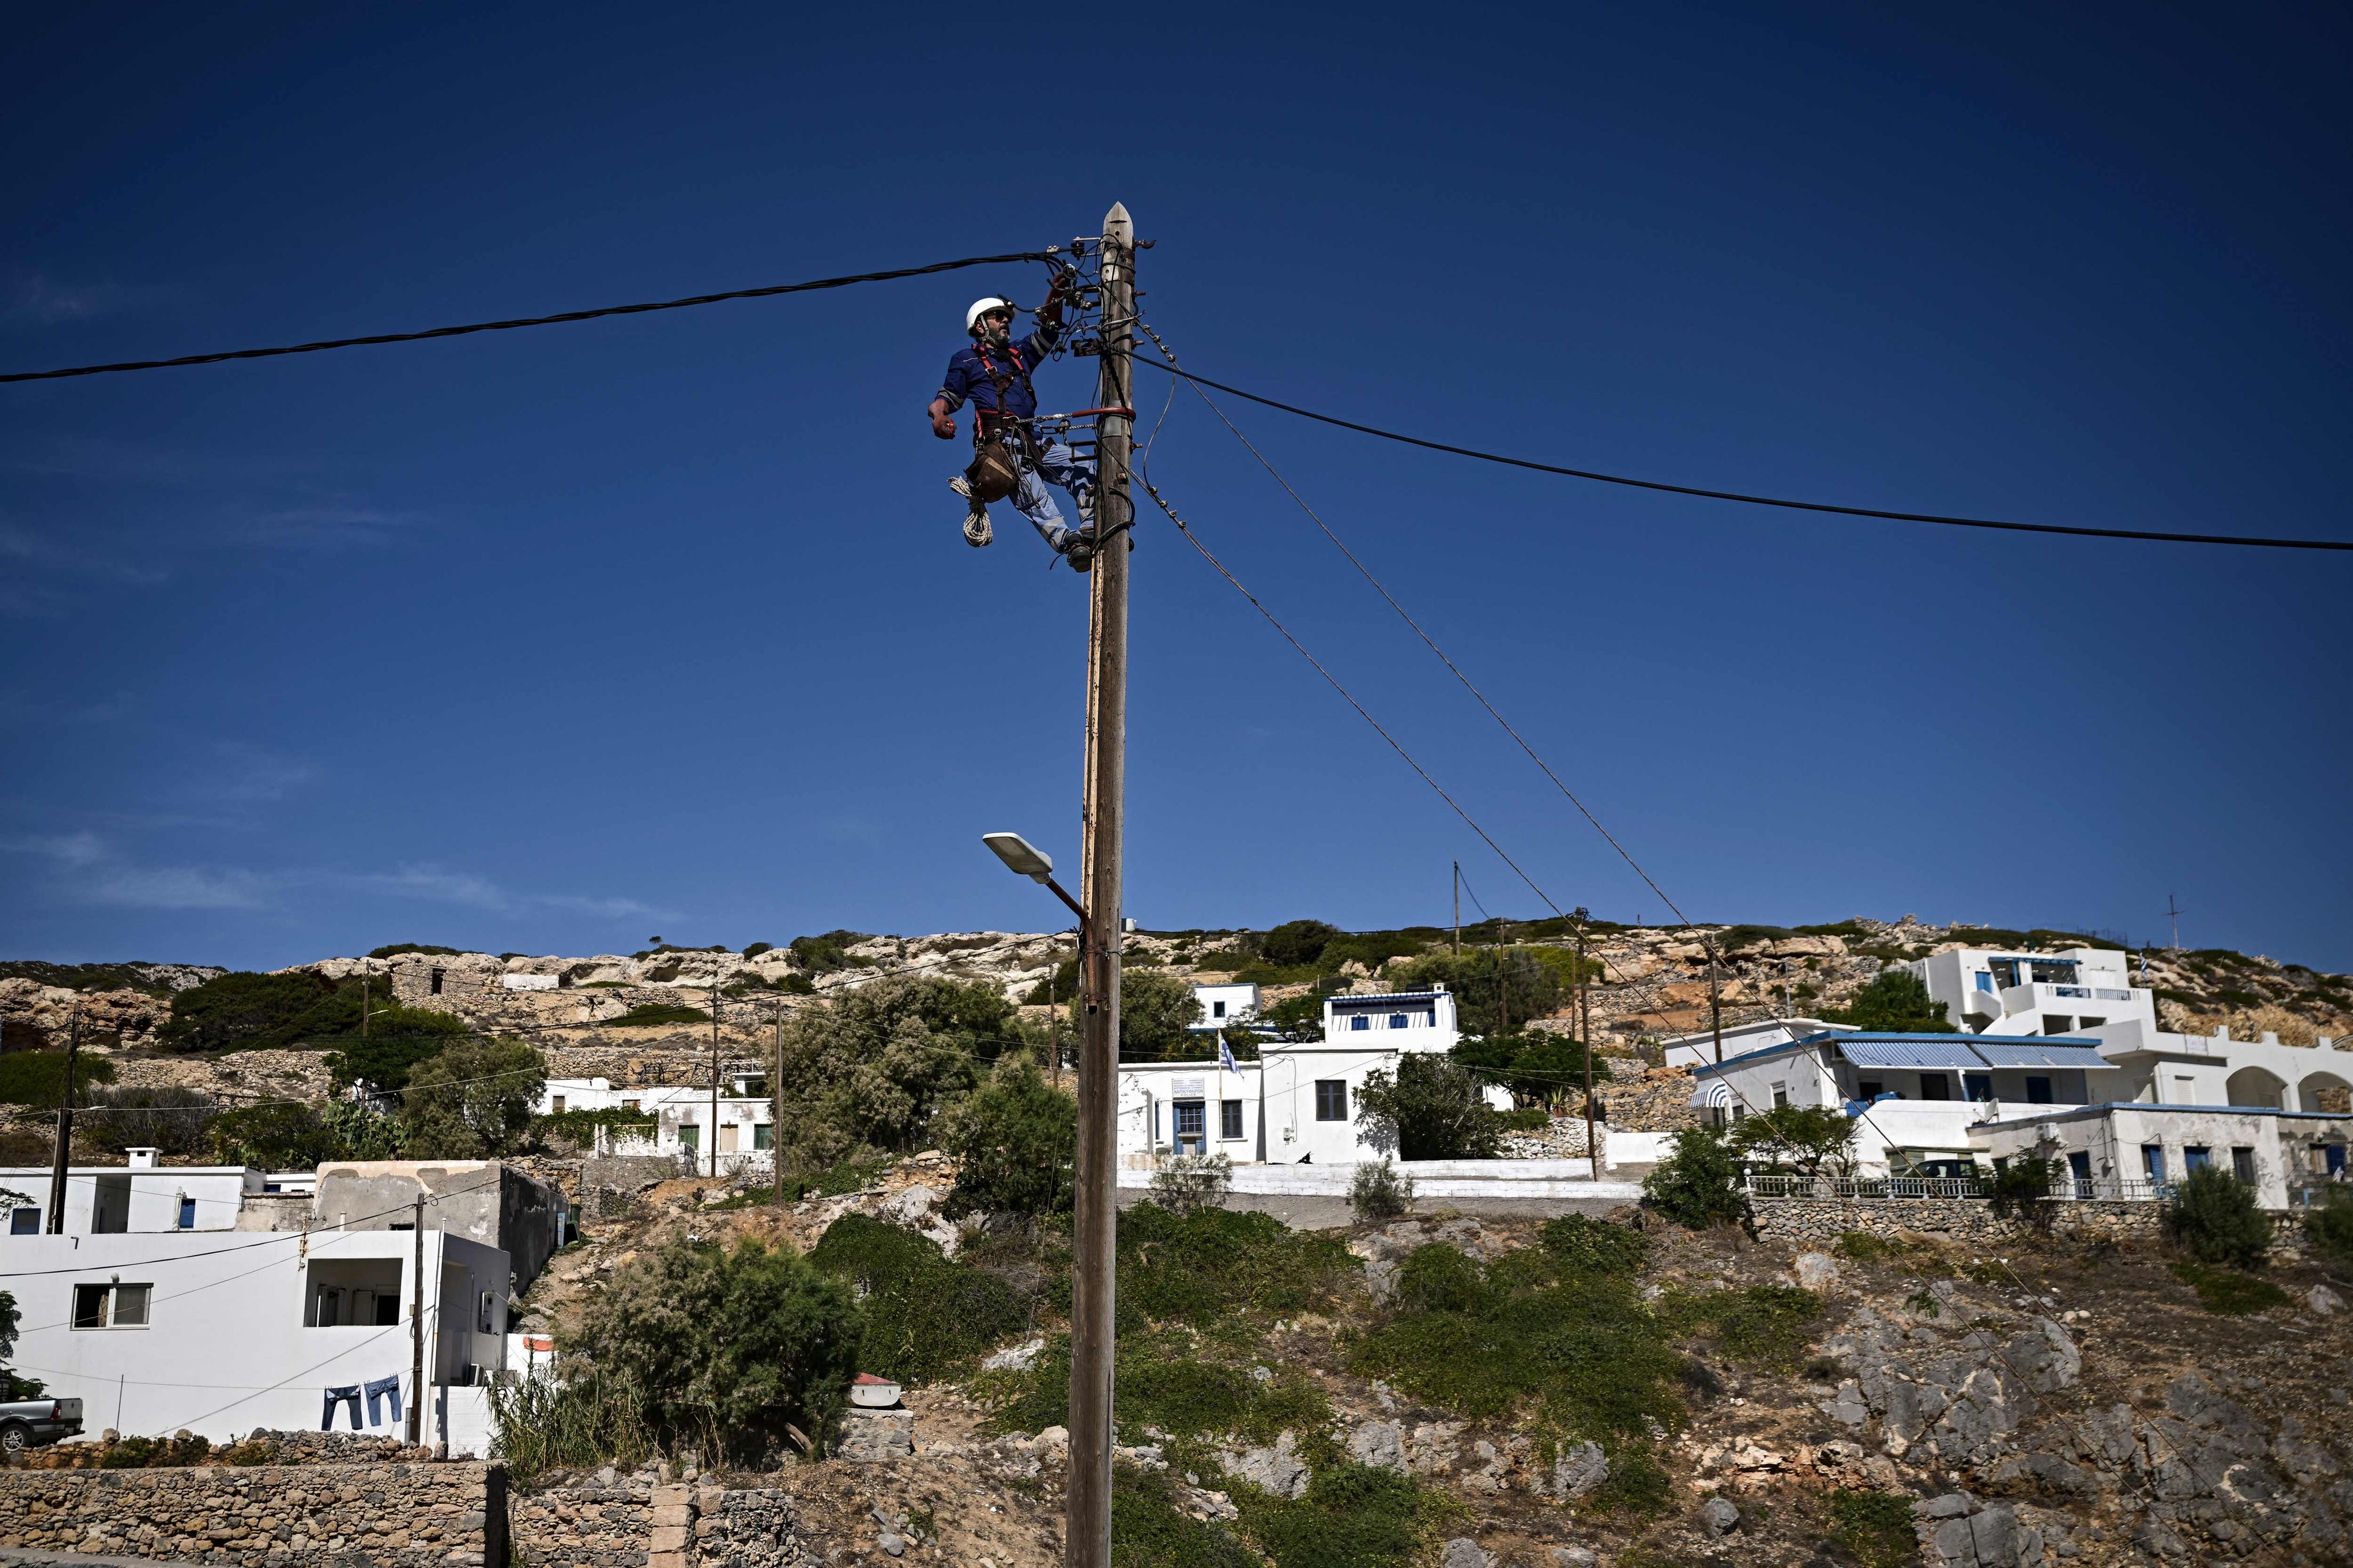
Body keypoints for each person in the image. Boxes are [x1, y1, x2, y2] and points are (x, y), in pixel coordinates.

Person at [929, 279, 1099, 569]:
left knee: (1083, 467)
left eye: (1006, 317)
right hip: (1002, 446)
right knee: (1034, 495)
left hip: (1033, 440)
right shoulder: (967, 360)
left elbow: (1049, 331)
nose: (1006, 321)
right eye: (998, 317)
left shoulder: (1019, 355)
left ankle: (1093, 529)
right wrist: (940, 417)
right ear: (981, 326)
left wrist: (1056, 293)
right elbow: (946, 398)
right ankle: (1070, 545)